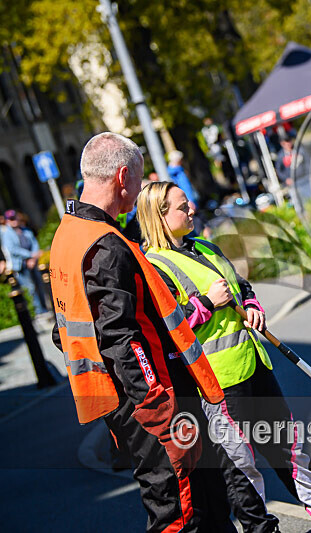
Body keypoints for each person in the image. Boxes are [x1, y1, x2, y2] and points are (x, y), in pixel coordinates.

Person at [136, 181, 311, 533]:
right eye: (182, 206)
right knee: (240, 466)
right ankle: (261, 529)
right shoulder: (154, 266)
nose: (191, 210)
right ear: (160, 215)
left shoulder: (204, 246)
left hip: (253, 364)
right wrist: (206, 304)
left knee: (288, 446)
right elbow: (168, 327)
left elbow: (240, 286)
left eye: (188, 204)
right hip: (216, 383)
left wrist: (251, 305)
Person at [49, 132, 259, 533]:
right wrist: (157, 408)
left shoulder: (69, 235)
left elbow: (67, 331)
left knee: (206, 500)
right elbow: (120, 339)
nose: (140, 191)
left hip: (130, 399)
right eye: (140, 181)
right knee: (178, 512)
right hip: (150, 401)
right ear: (123, 177)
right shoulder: (105, 244)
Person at [1, 209, 46, 315]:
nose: (13, 221)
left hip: (32, 262)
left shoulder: (26, 230)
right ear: (7, 221)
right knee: (29, 288)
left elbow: (34, 244)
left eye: (14, 218)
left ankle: (44, 308)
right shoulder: (7, 234)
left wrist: (33, 258)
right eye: (11, 219)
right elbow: (13, 250)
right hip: (21, 265)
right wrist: (29, 255)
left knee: (40, 285)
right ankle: (37, 311)